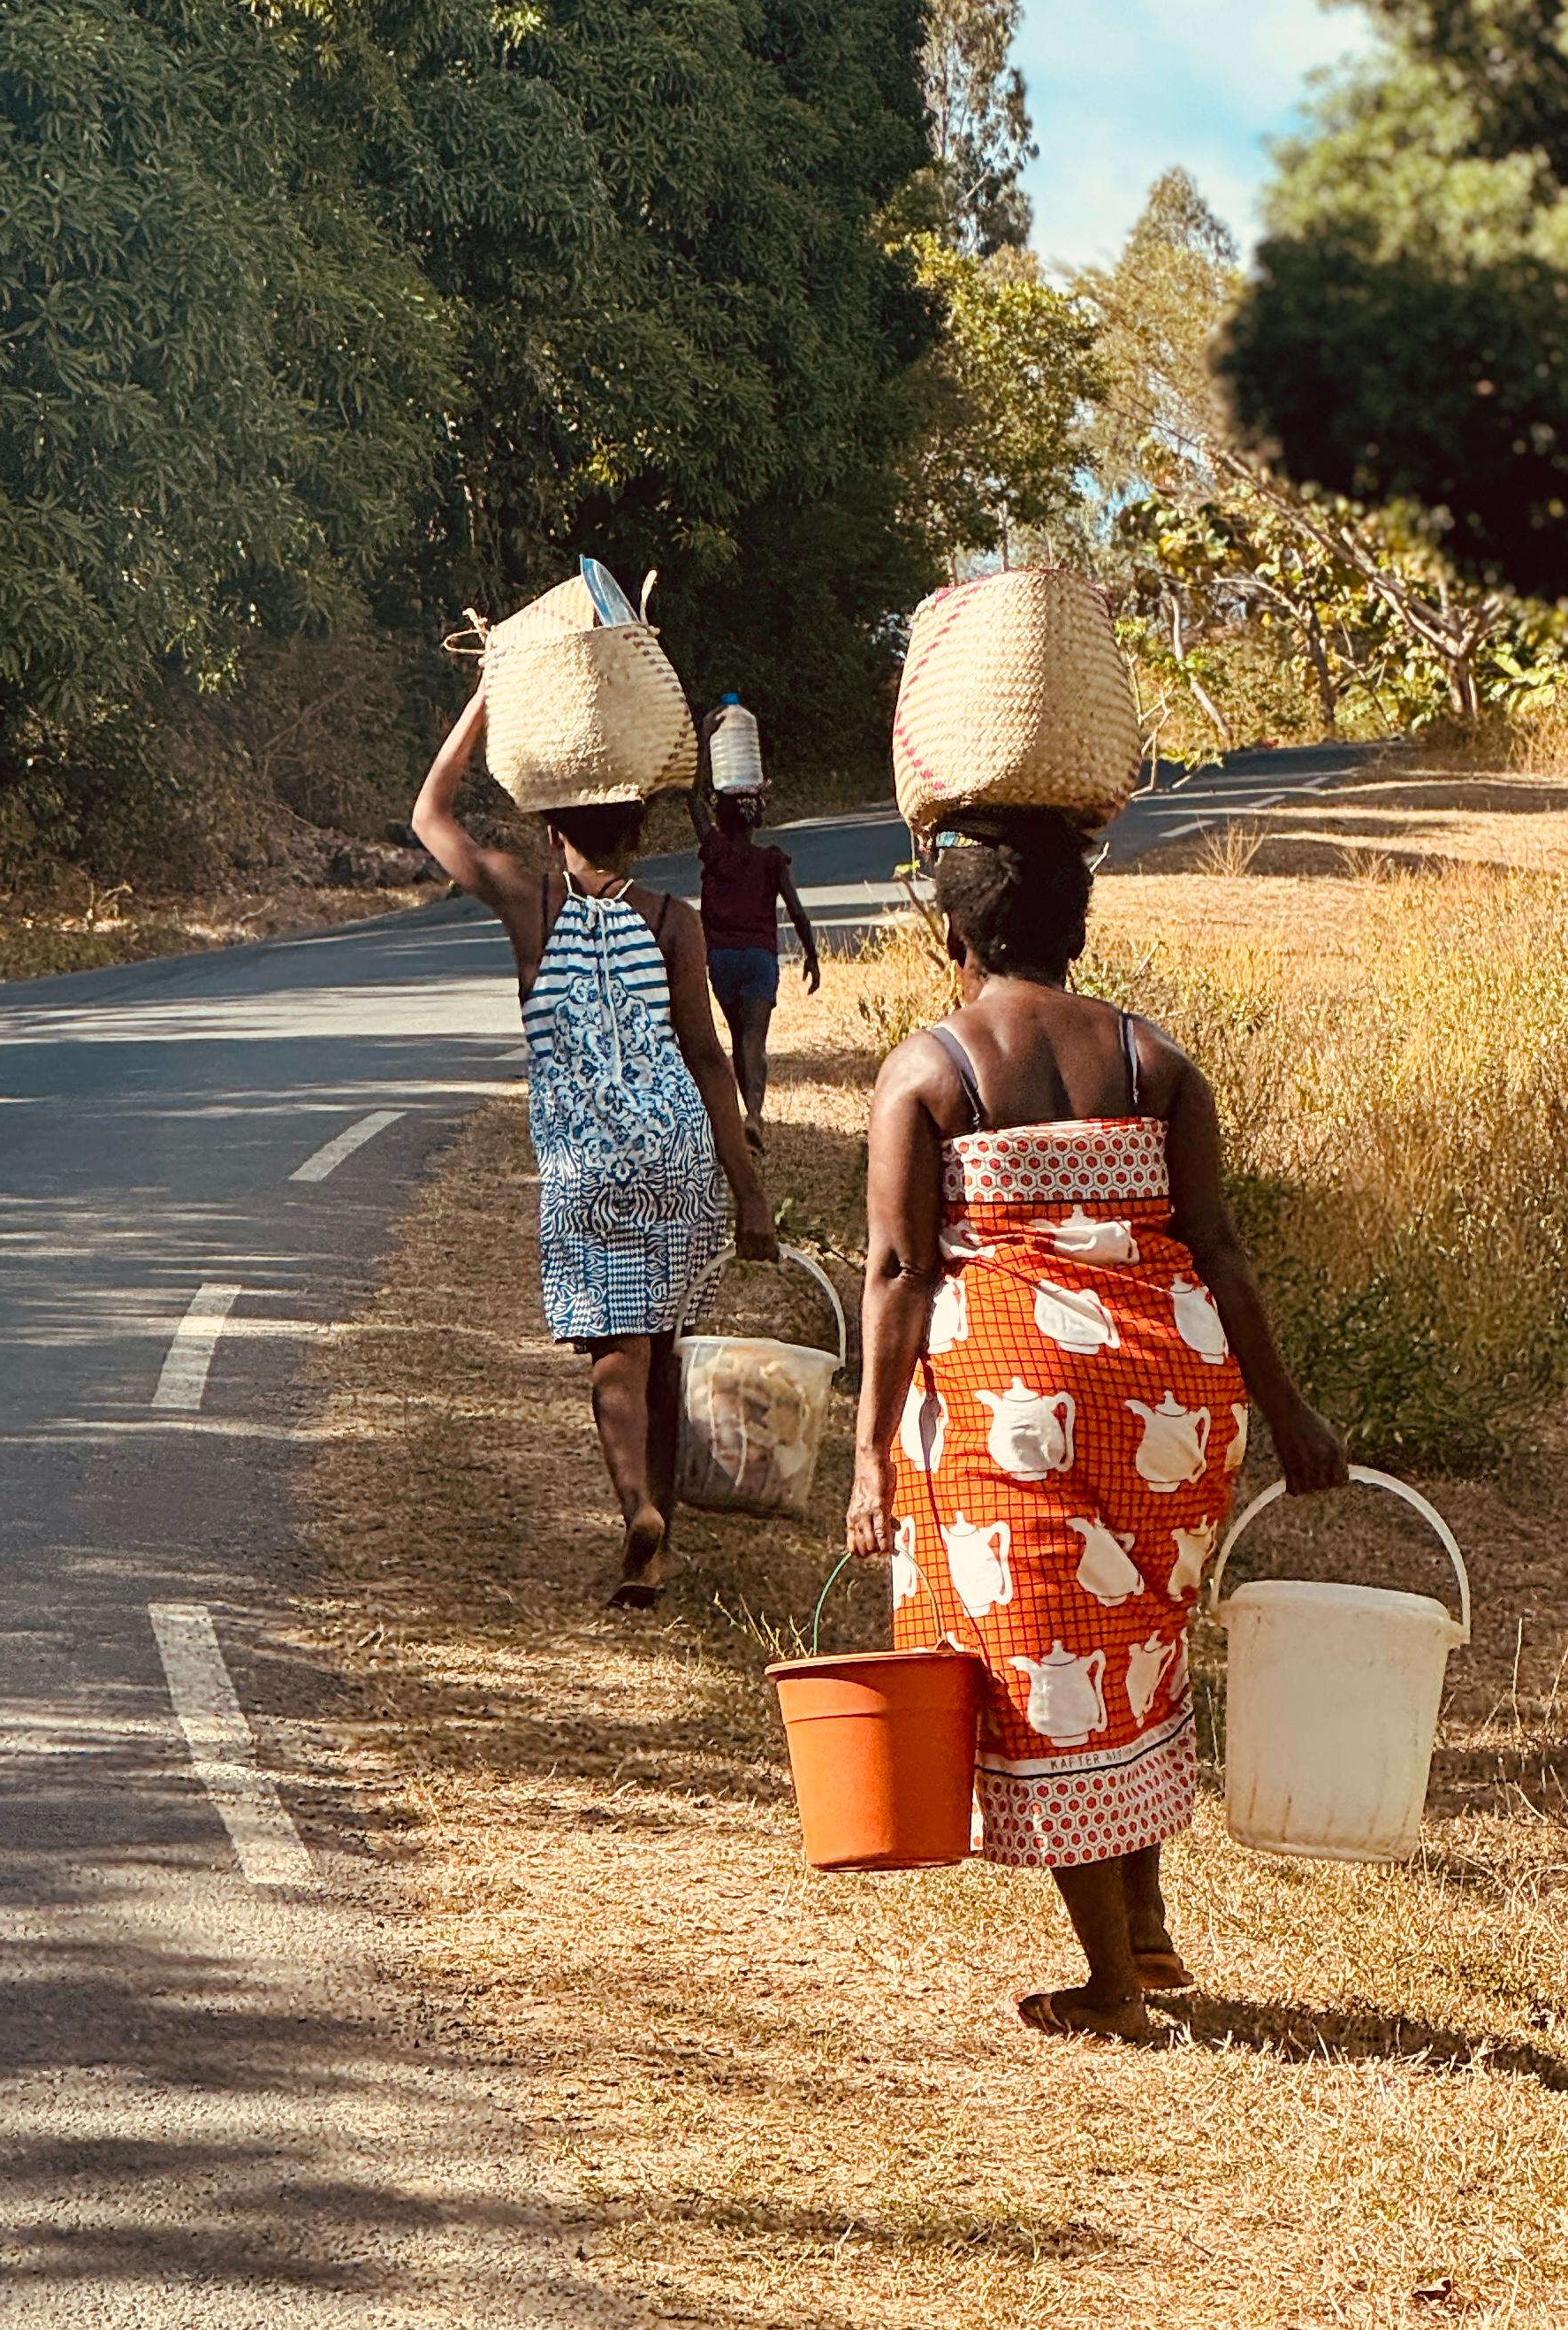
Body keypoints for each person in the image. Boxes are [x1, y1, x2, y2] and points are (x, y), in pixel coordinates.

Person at [846, 807, 1346, 2041]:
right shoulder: (1156, 1060)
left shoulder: (930, 1068)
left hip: (1018, 1404)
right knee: (1133, 1649)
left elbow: (902, 1271)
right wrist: (1288, 1414)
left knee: (1050, 1679)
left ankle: (1113, 1985)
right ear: (1077, 926)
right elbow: (1220, 1251)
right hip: (1173, 1405)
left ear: (948, 923)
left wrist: (867, 1455)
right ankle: (1150, 1922)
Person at [414, 689, 777, 1609]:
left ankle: (636, 1511)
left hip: (587, 1168)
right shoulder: (670, 920)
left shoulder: (528, 906)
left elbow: (429, 816)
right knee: (664, 1344)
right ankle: (662, 1537)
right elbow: (706, 1057)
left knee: (614, 1355)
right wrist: (748, 1191)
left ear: (551, 835)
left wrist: (488, 703)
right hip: (679, 1155)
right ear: (639, 832)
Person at [688, 722, 820, 1154]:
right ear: (757, 817)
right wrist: (812, 955)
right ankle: (754, 1116)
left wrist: (704, 743)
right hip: (760, 959)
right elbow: (797, 912)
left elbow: (692, 799)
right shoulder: (771, 861)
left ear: (721, 817)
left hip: (722, 959)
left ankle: (744, 1114)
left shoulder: (715, 849)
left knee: (737, 1034)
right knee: (753, 1040)